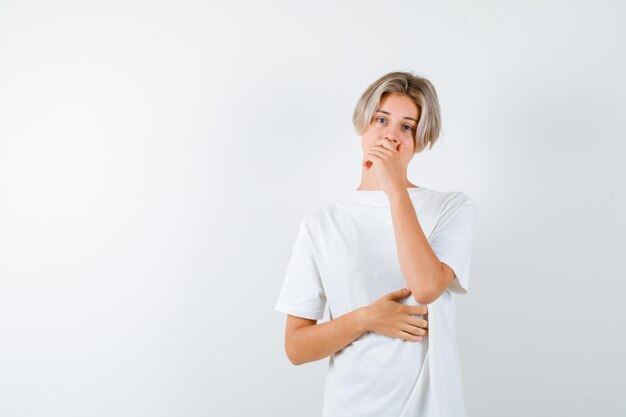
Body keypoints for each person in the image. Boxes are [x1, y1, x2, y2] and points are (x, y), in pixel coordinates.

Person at [274, 71, 478, 417]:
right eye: (382, 119)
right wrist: (368, 318)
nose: (391, 134)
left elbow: (427, 287)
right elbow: (296, 348)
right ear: (363, 126)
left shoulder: (452, 207)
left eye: (407, 126)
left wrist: (395, 189)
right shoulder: (321, 224)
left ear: (420, 139)